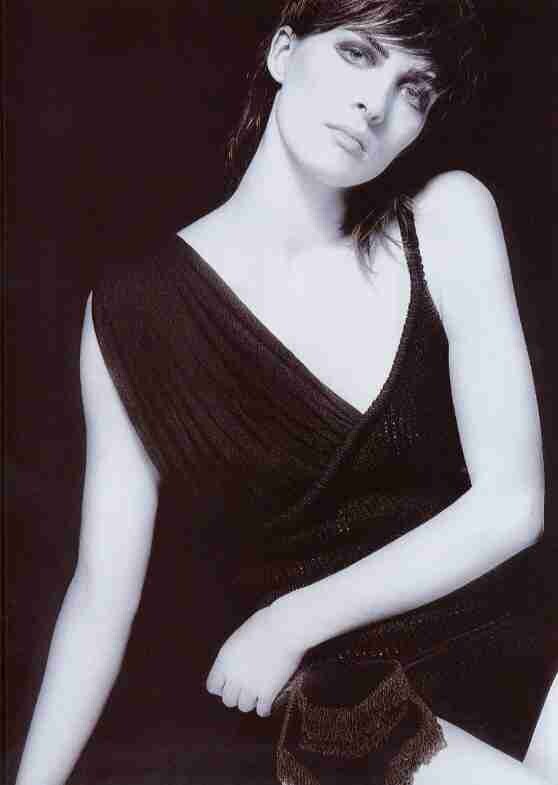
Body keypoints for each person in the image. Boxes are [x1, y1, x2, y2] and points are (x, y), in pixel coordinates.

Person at [15, 1, 558, 783]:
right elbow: (101, 595)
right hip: (350, 706)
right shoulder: (134, 314)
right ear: (282, 52)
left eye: (414, 89)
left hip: (516, 635)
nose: (376, 104)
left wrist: (289, 619)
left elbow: (512, 505)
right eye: (359, 54)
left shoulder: (447, 216)